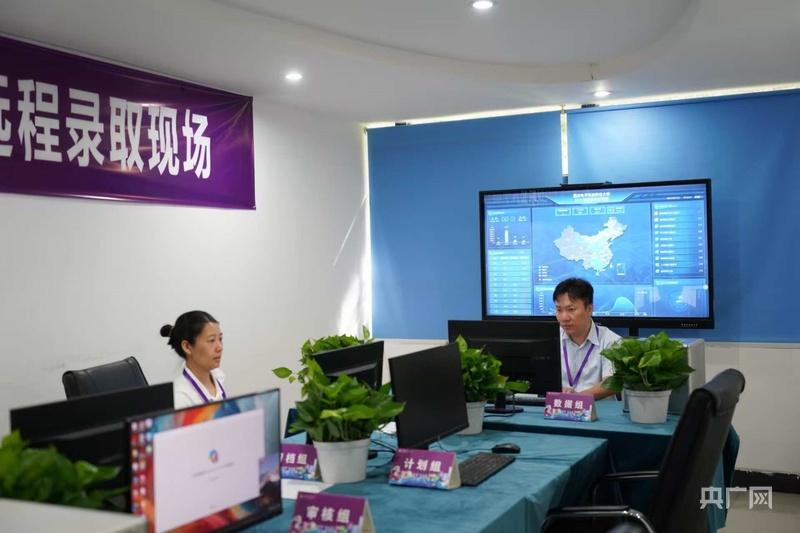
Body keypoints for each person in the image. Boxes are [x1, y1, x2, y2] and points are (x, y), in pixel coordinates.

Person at [553, 278, 621, 400]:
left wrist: (578, 398)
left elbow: (611, 383)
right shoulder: (552, 338)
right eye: (559, 310)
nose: (564, 317)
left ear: (589, 309)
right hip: (558, 407)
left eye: (571, 310)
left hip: (600, 409)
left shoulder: (611, 341)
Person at [160, 311, 226, 408]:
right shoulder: (180, 398)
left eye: (220, 339)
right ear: (187, 347)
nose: (219, 347)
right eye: (211, 340)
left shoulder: (219, 376)